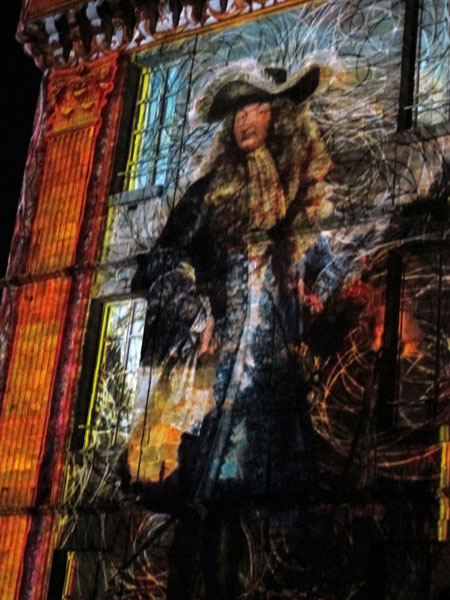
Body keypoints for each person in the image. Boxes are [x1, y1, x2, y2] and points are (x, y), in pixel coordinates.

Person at [130, 62, 338, 598]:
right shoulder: (208, 193)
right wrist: (197, 311)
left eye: (259, 107)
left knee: (257, 512)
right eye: (240, 111)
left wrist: (315, 294)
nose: (247, 120)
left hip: (270, 377)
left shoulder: (294, 196)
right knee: (203, 509)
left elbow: (323, 263)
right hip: (211, 379)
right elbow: (160, 262)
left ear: (277, 119)